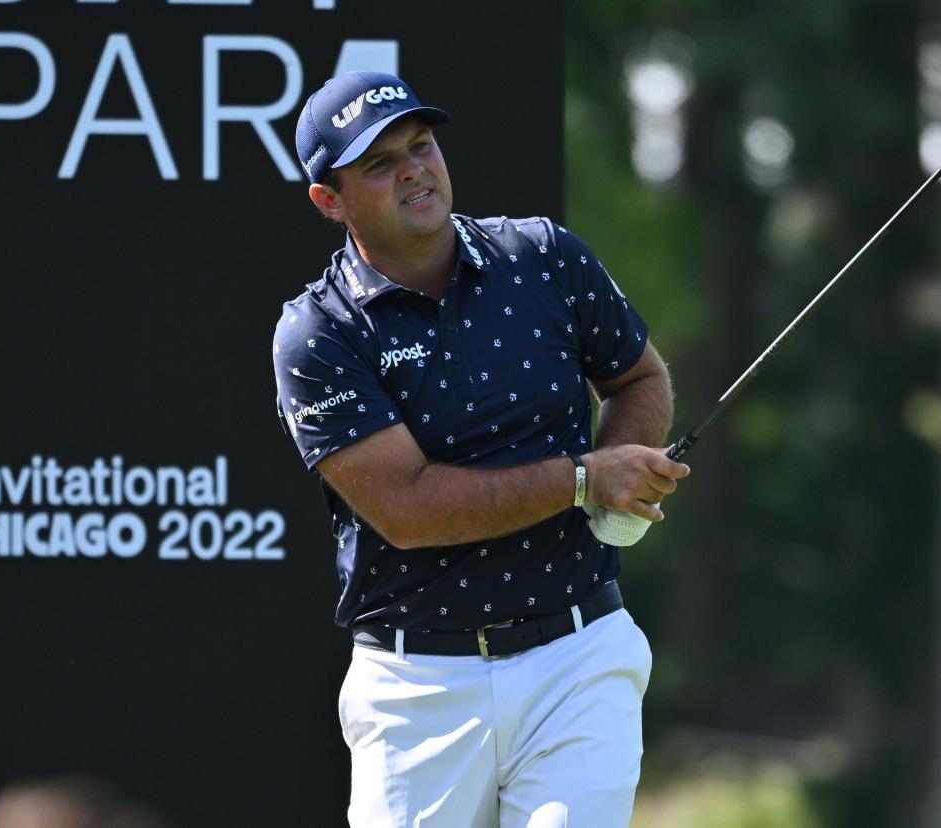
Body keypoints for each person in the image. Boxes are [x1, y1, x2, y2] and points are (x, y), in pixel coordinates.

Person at [273, 71, 690, 827]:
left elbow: (638, 376)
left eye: (421, 145)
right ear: (329, 201)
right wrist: (582, 482)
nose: (414, 170)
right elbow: (406, 509)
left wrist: (619, 489)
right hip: (416, 687)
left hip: (576, 655)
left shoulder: (544, 256)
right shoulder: (320, 334)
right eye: (379, 163)